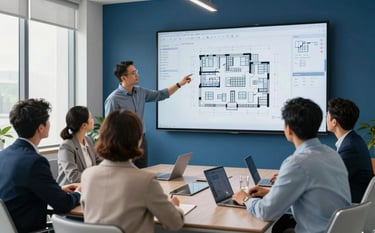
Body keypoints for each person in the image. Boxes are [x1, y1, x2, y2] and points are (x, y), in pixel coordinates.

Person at [232, 97, 351, 233]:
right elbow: (312, 199)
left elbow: (265, 212)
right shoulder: (332, 154)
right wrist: (270, 193)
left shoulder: (297, 163)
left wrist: (245, 199)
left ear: (288, 129)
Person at [80, 109, 184, 233]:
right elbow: (175, 223)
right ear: (138, 140)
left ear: (103, 137)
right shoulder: (146, 181)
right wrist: (174, 206)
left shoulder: (87, 176)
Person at [0, 98, 81, 233]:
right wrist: (79, 193)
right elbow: (63, 205)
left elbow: (20, 191)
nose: (50, 123)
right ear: (41, 128)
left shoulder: (4, 155)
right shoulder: (35, 161)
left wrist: (59, 189)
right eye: (48, 121)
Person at [104, 60, 192, 168]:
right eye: (133, 73)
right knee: (128, 175)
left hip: (142, 140)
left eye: (136, 71)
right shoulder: (113, 99)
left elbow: (161, 94)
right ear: (123, 78)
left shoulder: (140, 92)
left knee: (143, 172)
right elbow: (109, 128)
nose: (137, 75)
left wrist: (179, 84)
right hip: (124, 143)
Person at [327, 97, 373, 203]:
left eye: (327, 116)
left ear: (334, 122)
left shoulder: (350, 147)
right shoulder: (353, 140)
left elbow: (330, 179)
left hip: (350, 207)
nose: (326, 119)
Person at [56, 106, 101, 186]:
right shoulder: (66, 146)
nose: (93, 120)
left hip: (88, 188)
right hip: (71, 192)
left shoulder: (88, 140)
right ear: (84, 125)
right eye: (91, 118)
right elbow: (74, 176)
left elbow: (99, 162)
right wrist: (96, 177)